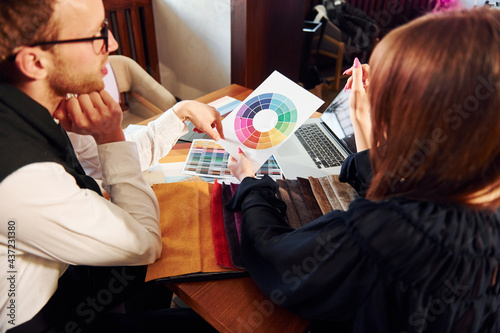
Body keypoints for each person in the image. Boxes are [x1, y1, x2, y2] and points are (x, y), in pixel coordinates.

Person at [227, 8, 500, 333]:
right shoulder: (478, 194)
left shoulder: (388, 232)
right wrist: (371, 145)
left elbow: (278, 261)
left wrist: (250, 183)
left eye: (395, 99)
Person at [0, 0, 220, 332]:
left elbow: (109, 163)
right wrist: (109, 136)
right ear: (34, 61)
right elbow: (145, 242)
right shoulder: (21, 179)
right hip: (38, 316)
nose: (113, 45)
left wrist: (181, 112)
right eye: (97, 34)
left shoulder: (31, 101)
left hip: (63, 269)